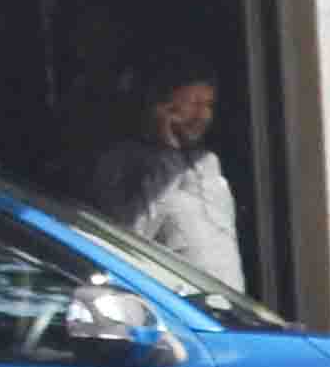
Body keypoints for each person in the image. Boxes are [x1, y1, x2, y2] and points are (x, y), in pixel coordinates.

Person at [77, 60, 244, 299]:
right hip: (182, 310)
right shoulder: (122, 161)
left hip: (230, 306)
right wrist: (167, 156)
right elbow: (127, 239)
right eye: (194, 104)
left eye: (208, 105)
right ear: (164, 106)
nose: (204, 115)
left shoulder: (207, 162)